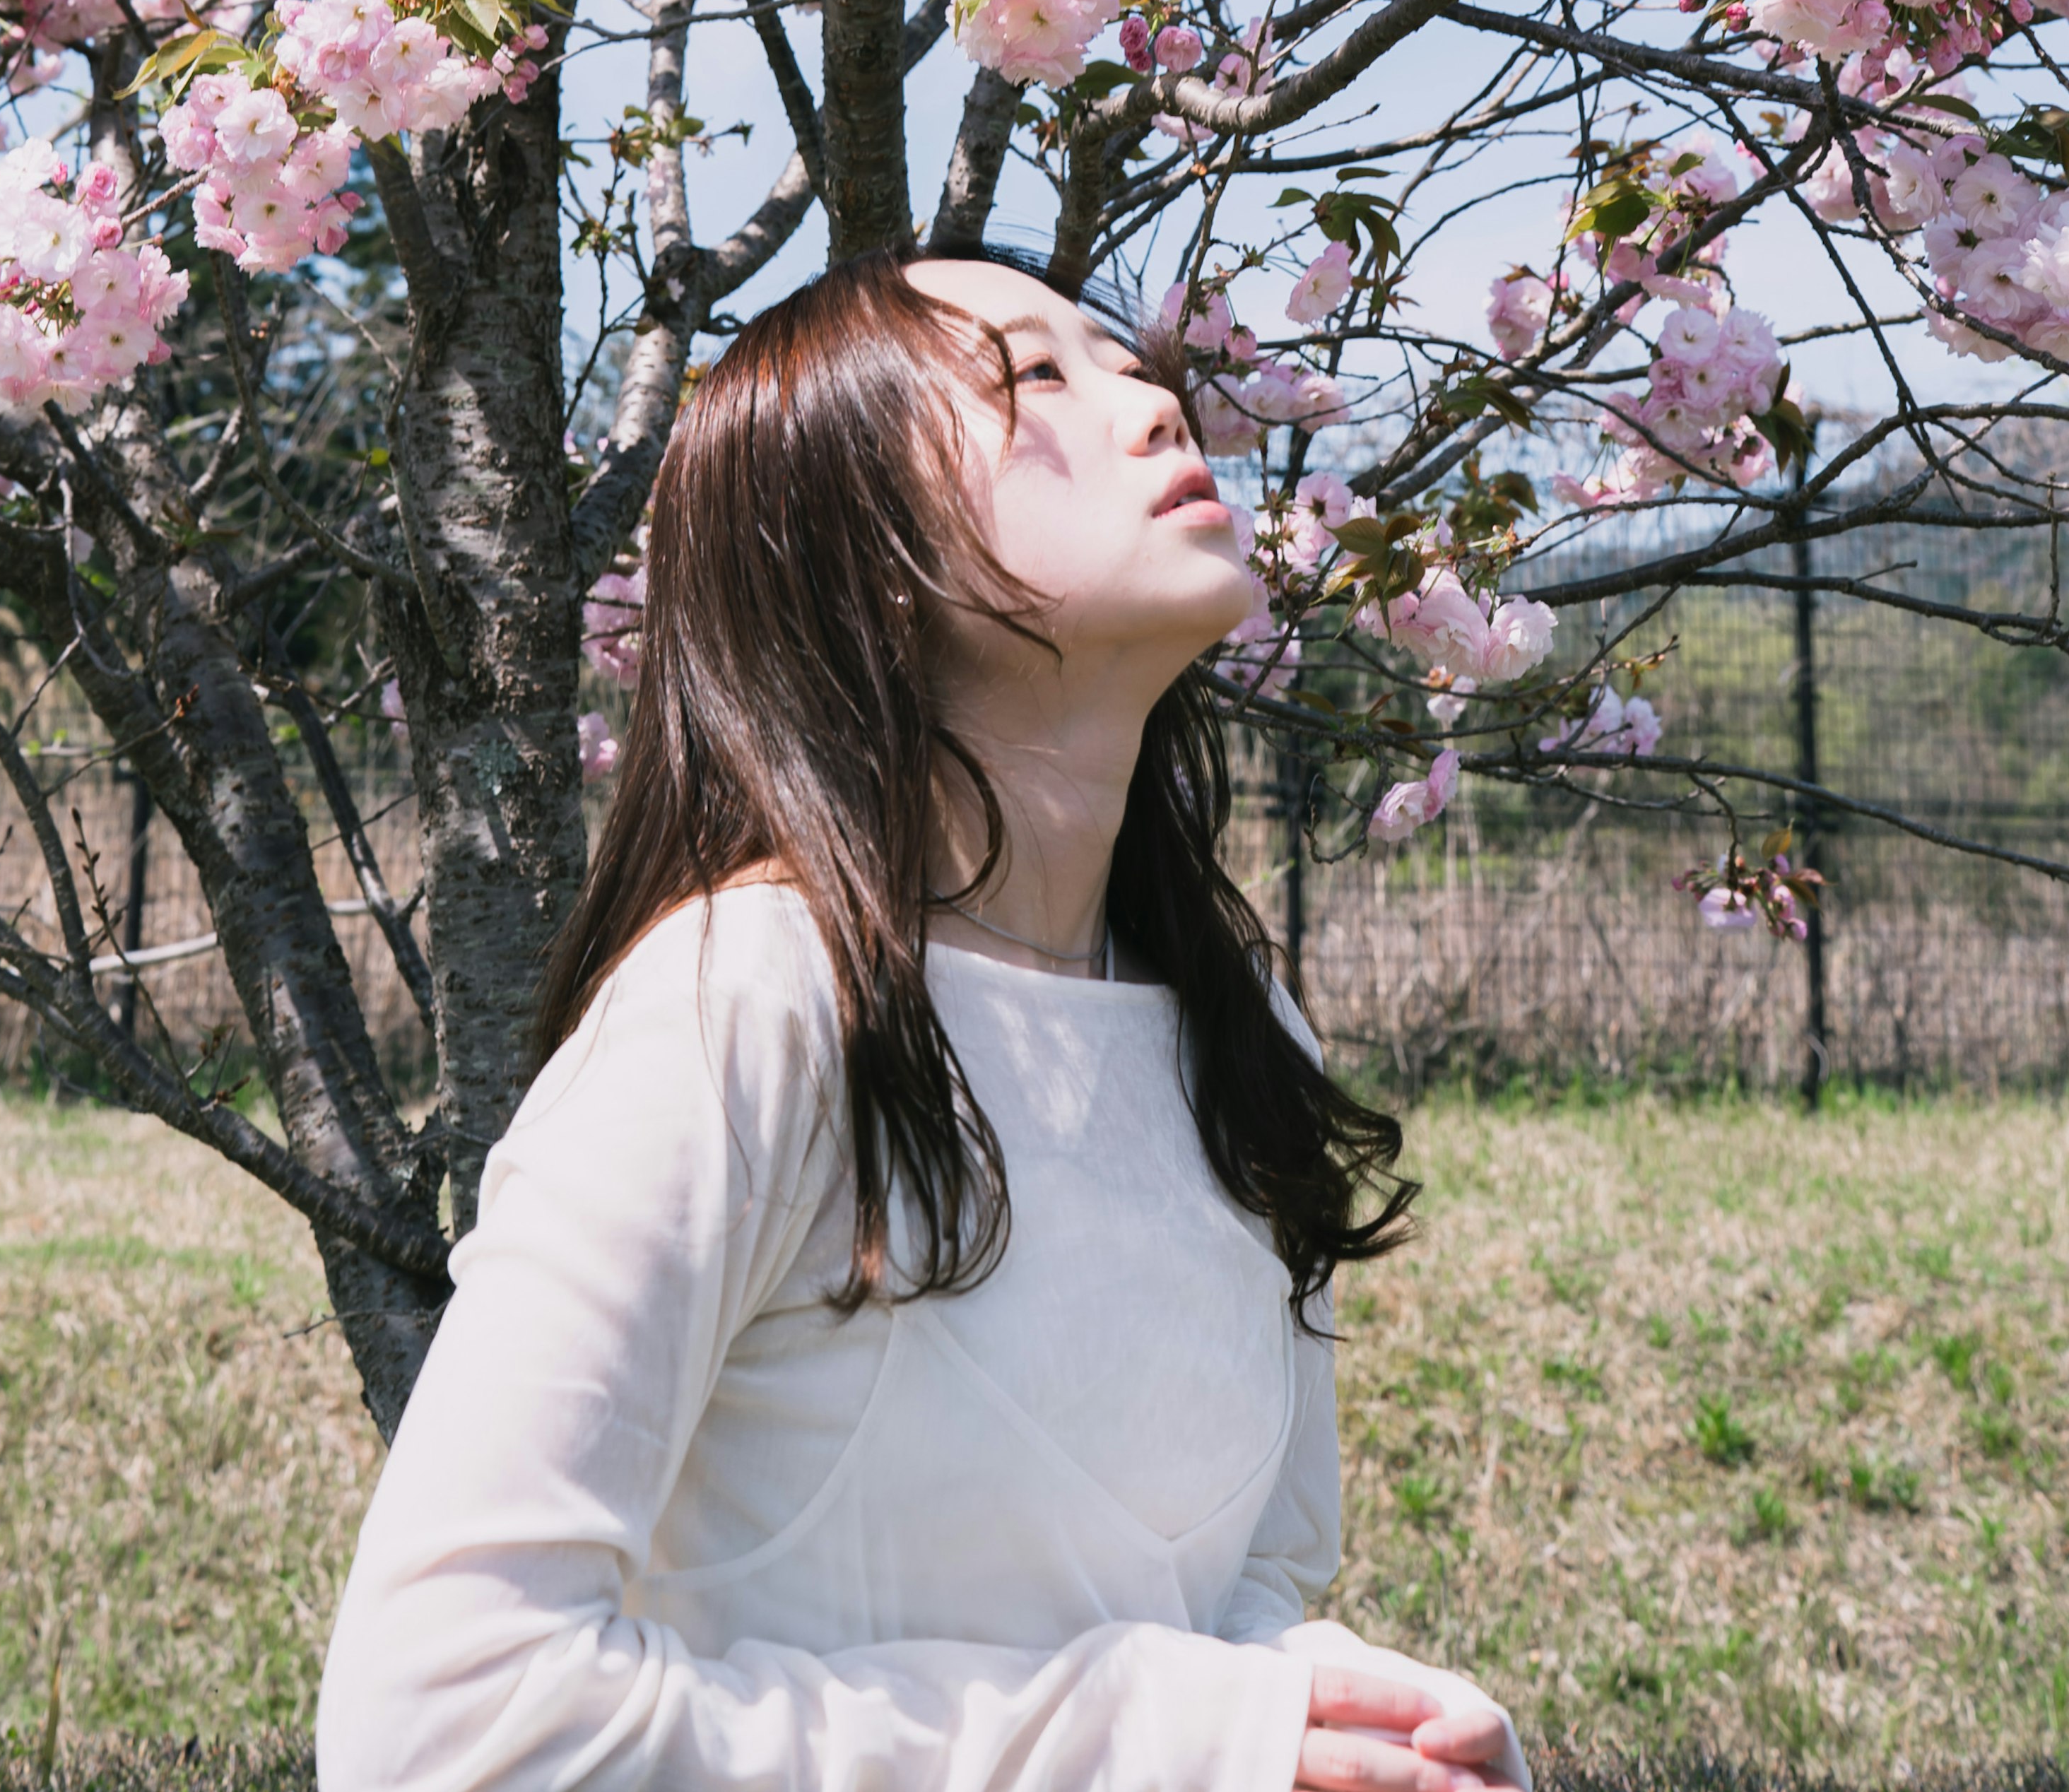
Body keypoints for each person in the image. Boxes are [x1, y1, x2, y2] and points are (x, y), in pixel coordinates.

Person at [316, 247, 1531, 1792]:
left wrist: (1344, 1729)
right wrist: (1157, 1747)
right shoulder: (741, 1009)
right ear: (864, 546)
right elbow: (439, 1727)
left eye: (1122, 360)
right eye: (1035, 378)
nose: (1152, 403)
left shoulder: (1243, 1037)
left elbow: (1230, 1605)